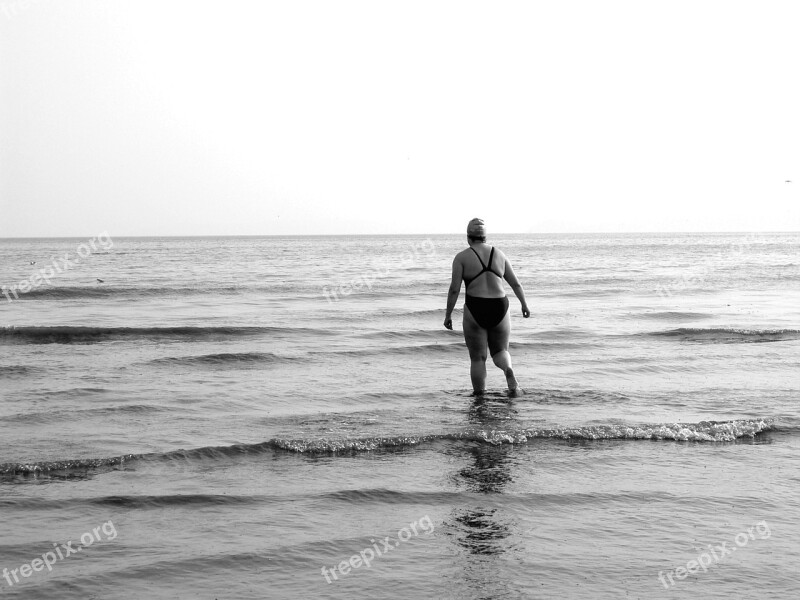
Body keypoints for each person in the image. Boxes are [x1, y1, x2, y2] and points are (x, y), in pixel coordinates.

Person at [444, 218, 530, 395]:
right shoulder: (499, 254)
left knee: (478, 358)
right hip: (500, 305)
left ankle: (479, 398)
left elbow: (454, 290)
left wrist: (448, 315)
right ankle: (507, 369)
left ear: (468, 237)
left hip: (476, 306)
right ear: (485, 237)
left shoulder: (461, 257)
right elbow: (516, 284)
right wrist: (524, 304)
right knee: (500, 351)